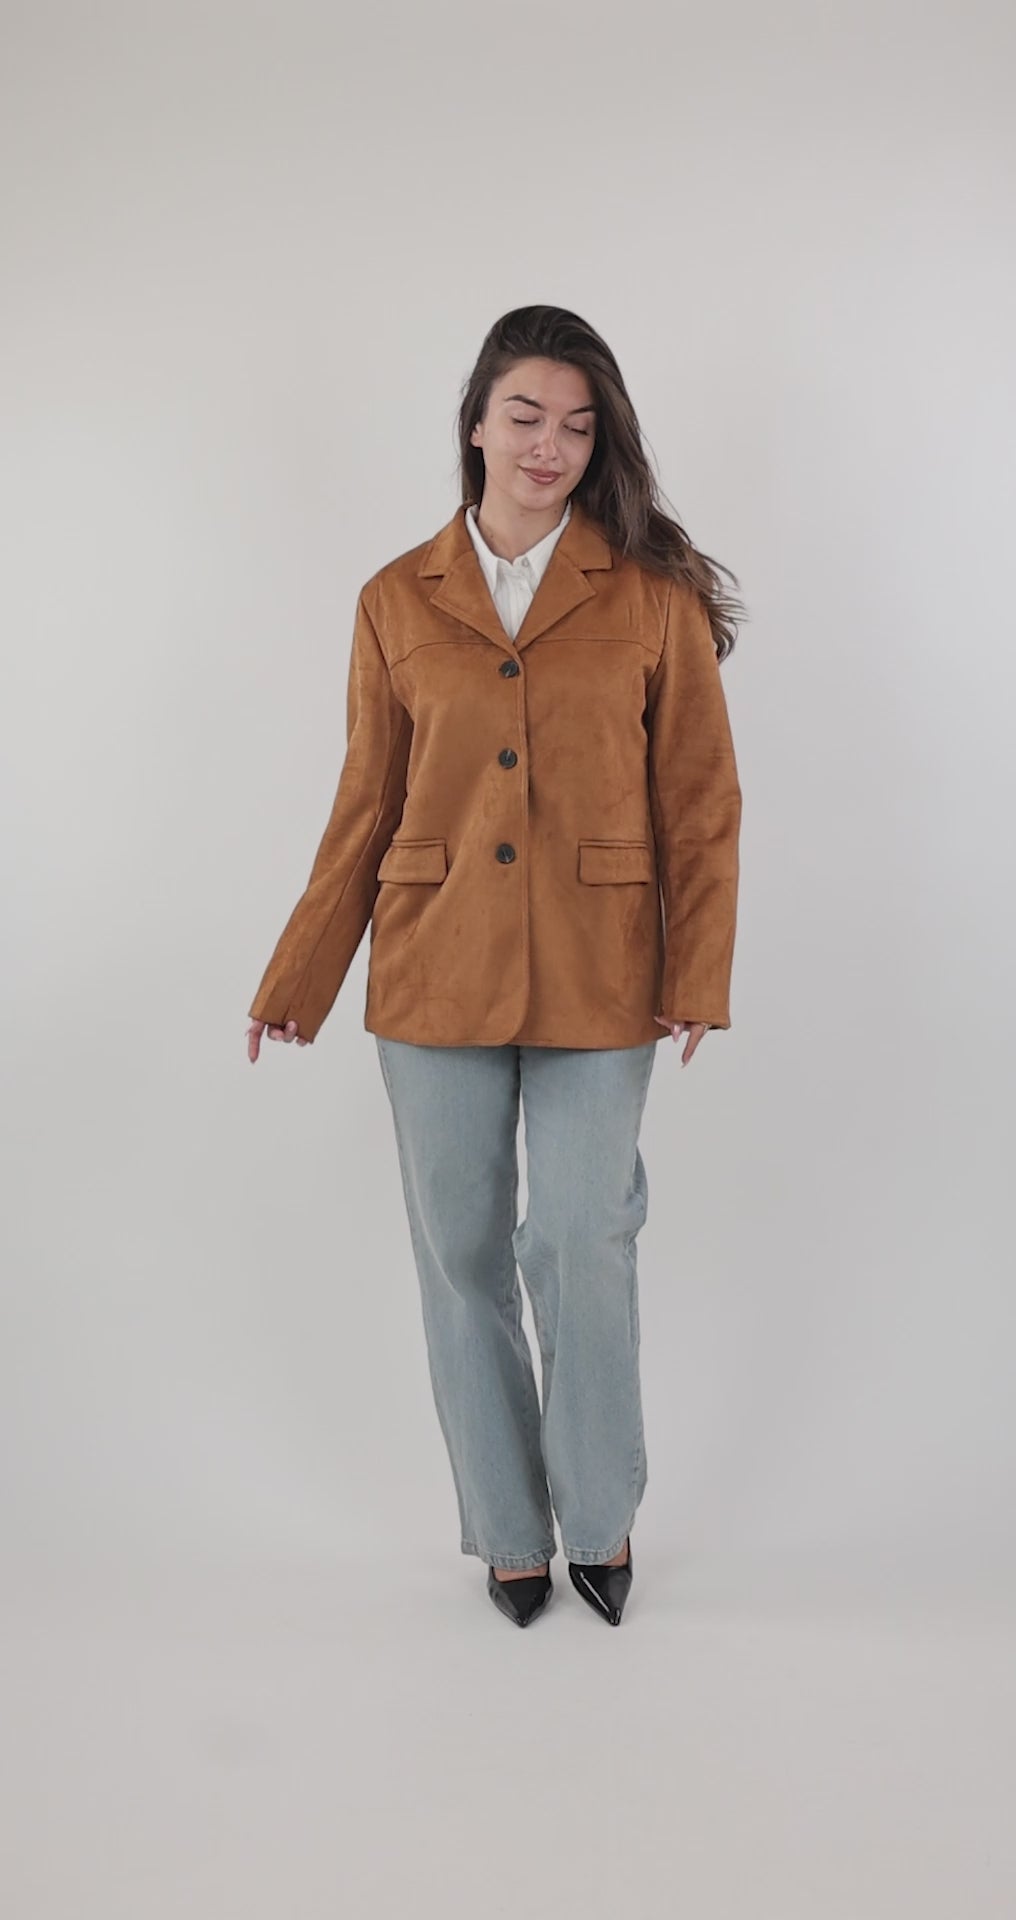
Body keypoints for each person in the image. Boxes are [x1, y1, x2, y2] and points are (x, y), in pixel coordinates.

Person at [245, 304, 744, 1629]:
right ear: (475, 423)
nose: (549, 445)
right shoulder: (394, 599)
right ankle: (509, 1533)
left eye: (578, 426)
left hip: (602, 970)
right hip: (432, 967)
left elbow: (700, 802)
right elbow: (366, 804)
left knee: (583, 1237)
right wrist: (298, 979)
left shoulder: (651, 596)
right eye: (525, 416)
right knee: (459, 1255)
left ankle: (600, 1515)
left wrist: (698, 970)